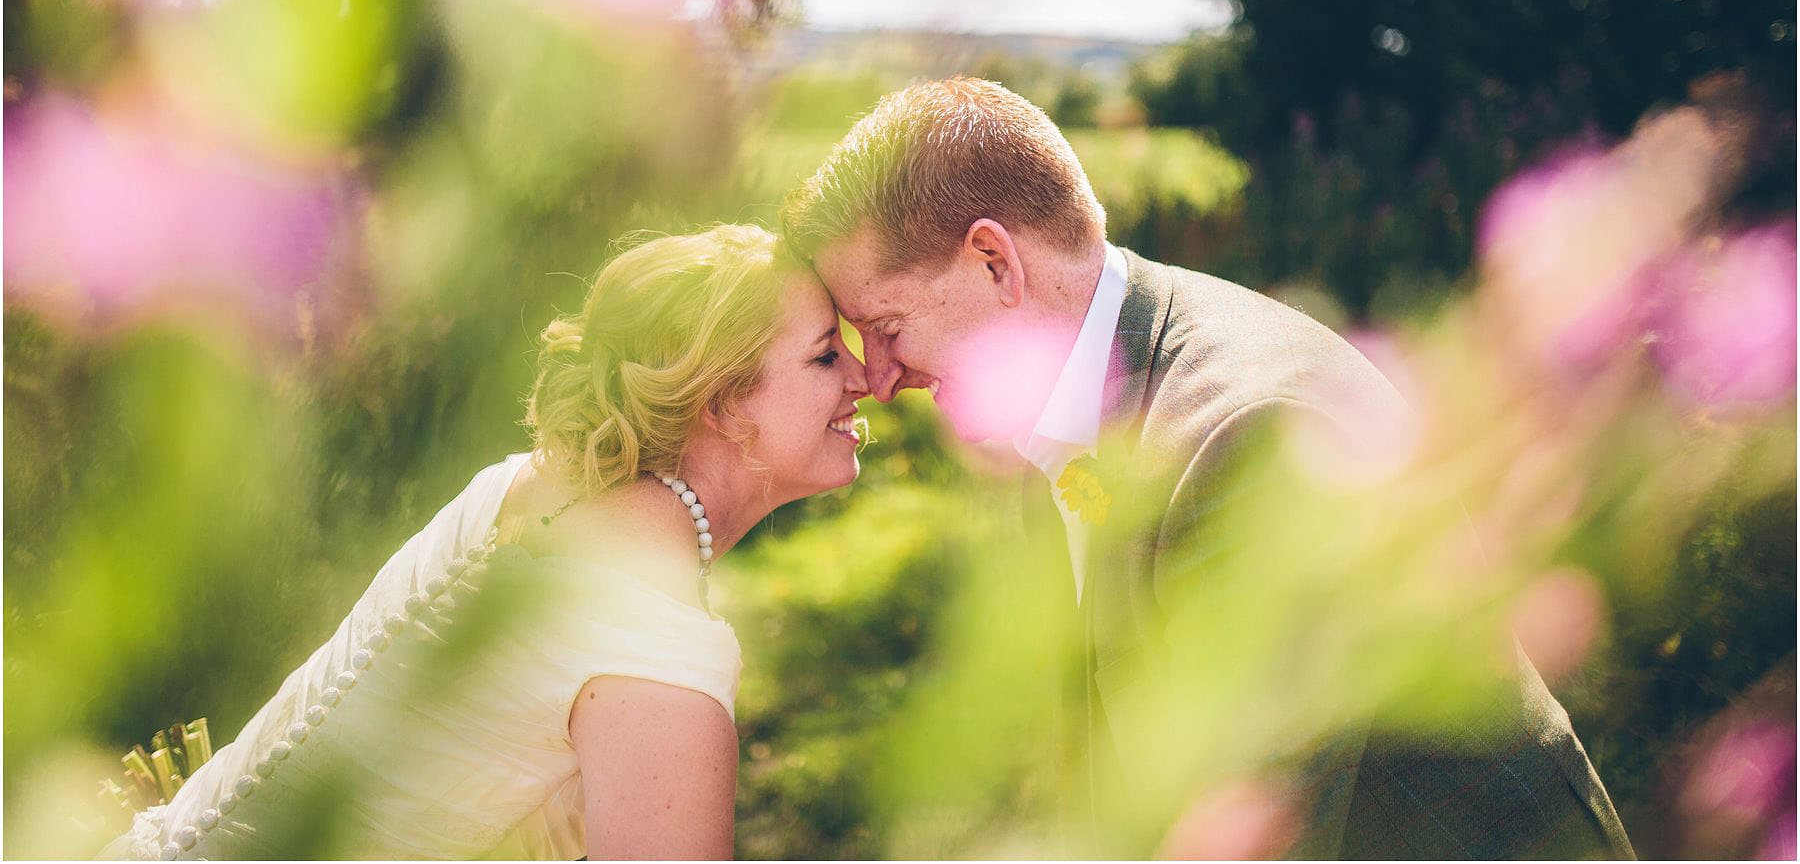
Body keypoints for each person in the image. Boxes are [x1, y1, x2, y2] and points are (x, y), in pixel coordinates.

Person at [780, 77, 1635, 859]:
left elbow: (1264, 817)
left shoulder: (1247, 435)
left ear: (996, 262)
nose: (882, 378)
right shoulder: (1084, 397)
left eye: (886, 326)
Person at [107, 224, 869, 860]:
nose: (862, 379)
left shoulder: (515, 488)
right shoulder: (658, 660)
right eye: (824, 355)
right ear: (722, 403)